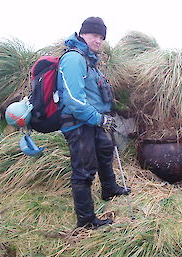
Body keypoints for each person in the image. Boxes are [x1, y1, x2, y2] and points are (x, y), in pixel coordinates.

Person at [57, 17, 131, 229]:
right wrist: (99, 118)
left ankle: (109, 188)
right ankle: (86, 221)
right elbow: (74, 101)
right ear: (82, 34)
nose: (98, 40)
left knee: (105, 151)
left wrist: (105, 116)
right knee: (83, 171)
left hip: (95, 121)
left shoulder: (90, 61)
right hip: (78, 124)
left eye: (101, 37)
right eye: (93, 35)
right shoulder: (74, 59)